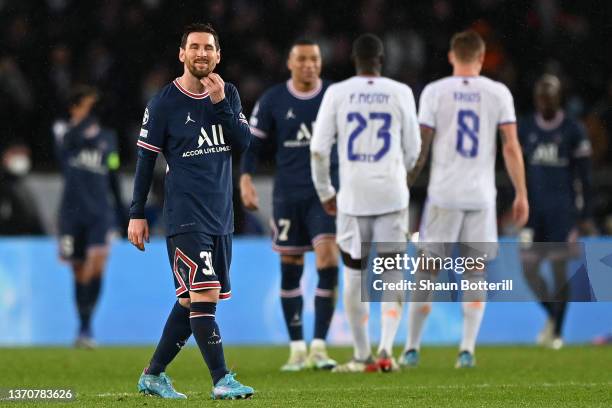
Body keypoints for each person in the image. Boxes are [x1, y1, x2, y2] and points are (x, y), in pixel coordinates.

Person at [127, 23, 254, 400]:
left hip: (221, 216)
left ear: (218, 55)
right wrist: (137, 212)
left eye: (208, 48)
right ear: (182, 54)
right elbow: (145, 161)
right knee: (205, 293)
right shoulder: (163, 103)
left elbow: (243, 143)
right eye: (194, 47)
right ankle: (221, 379)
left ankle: (152, 375)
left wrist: (220, 105)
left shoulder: (227, 93)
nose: (202, 53)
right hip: (185, 215)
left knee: (189, 301)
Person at [404, 30, 529, 368]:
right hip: (481, 198)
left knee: (427, 271)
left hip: (443, 195)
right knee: (475, 273)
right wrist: (521, 192)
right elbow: (511, 146)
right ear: (482, 56)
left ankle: (412, 347)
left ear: (451, 56)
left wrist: (406, 185)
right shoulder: (497, 92)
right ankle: (467, 350)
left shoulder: (435, 91)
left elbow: (421, 146)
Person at [310, 33, 421, 372]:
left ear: (354, 61)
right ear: (382, 59)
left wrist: (326, 192)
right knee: (391, 275)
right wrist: (398, 180)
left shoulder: (337, 93)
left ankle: (361, 355)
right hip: (391, 197)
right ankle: (387, 350)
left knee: (355, 275)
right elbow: (414, 149)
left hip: (353, 199)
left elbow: (317, 149)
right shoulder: (400, 92)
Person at [239, 38, 339, 371]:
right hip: (287, 196)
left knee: (328, 260)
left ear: (320, 63)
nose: (309, 64)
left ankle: (321, 346)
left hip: (325, 197)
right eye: (303, 59)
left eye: (315, 59)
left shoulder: (334, 97)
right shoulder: (273, 100)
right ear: (290, 63)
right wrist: (246, 179)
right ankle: (297, 347)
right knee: (290, 268)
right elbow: (252, 146)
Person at [519, 74, 594, 350]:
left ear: (558, 98)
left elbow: (584, 177)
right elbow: (519, 170)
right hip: (533, 213)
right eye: (541, 97)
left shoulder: (574, 130)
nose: (545, 102)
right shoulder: (526, 129)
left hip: (562, 213)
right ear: (537, 99)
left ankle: (558, 333)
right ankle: (553, 316)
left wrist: (583, 215)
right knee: (528, 268)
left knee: (559, 270)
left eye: (550, 97)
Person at [53, 85, 124, 348]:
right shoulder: (62, 131)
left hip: (100, 214)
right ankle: (83, 326)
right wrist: (87, 124)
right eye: (87, 106)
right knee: (78, 270)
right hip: (71, 213)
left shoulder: (108, 138)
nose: (92, 112)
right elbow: (67, 146)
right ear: (74, 107)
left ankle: (86, 327)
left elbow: (113, 172)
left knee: (97, 265)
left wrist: (123, 211)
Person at [0, 141, 44, 235]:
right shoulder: (4, 183)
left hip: (25, 238)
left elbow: (34, 219)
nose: (20, 158)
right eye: (16, 153)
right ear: (5, 155)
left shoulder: (29, 183)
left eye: (23, 154)